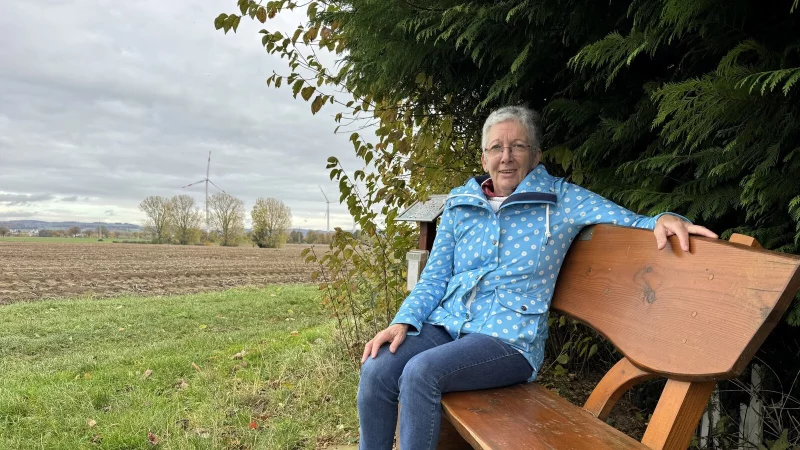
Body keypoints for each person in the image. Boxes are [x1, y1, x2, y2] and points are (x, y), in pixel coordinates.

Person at [356, 105, 717, 450]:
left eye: (518, 146)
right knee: (378, 368)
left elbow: (631, 219)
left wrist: (665, 217)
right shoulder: (459, 205)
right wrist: (404, 320)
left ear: (536, 155)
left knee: (421, 373)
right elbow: (435, 277)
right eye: (496, 147)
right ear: (484, 159)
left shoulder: (560, 199)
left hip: (508, 340)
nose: (506, 156)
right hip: (446, 326)